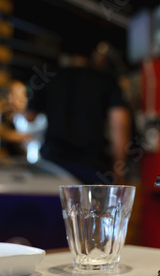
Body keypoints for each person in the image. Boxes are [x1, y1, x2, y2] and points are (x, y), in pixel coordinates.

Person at [25, 41, 132, 185]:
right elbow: (119, 124)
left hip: (52, 166)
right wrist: (118, 168)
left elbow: (29, 117)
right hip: (91, 167)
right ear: (92, 54)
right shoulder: (105, 80)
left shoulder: (48, 77)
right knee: (93, 207)